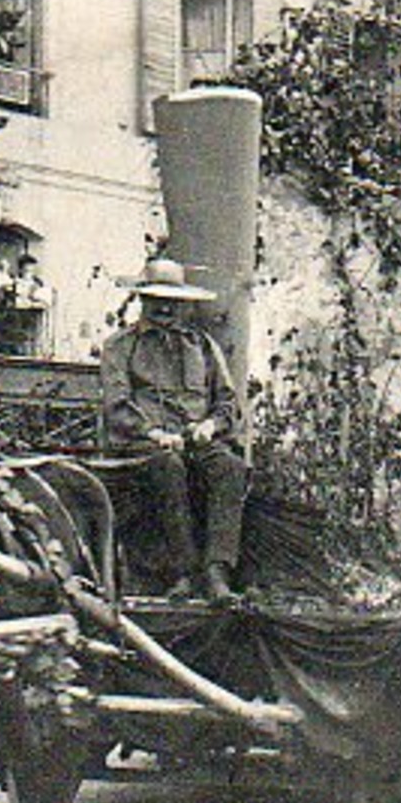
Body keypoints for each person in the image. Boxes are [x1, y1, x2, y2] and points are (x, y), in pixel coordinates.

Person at [100, 258, 246, 601]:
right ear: (142, 300)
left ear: (183, 303)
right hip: (143, 444)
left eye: (173, 301)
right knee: (168, 466)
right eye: (156, 300)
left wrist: (210, 425)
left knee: (230, 467)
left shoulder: (202, 346)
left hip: (196, 439)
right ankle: (181, 572)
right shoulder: (121, 346)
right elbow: (117, 406)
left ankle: (217, 572)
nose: (165, 307)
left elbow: (227, 402)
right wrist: (153, 433)